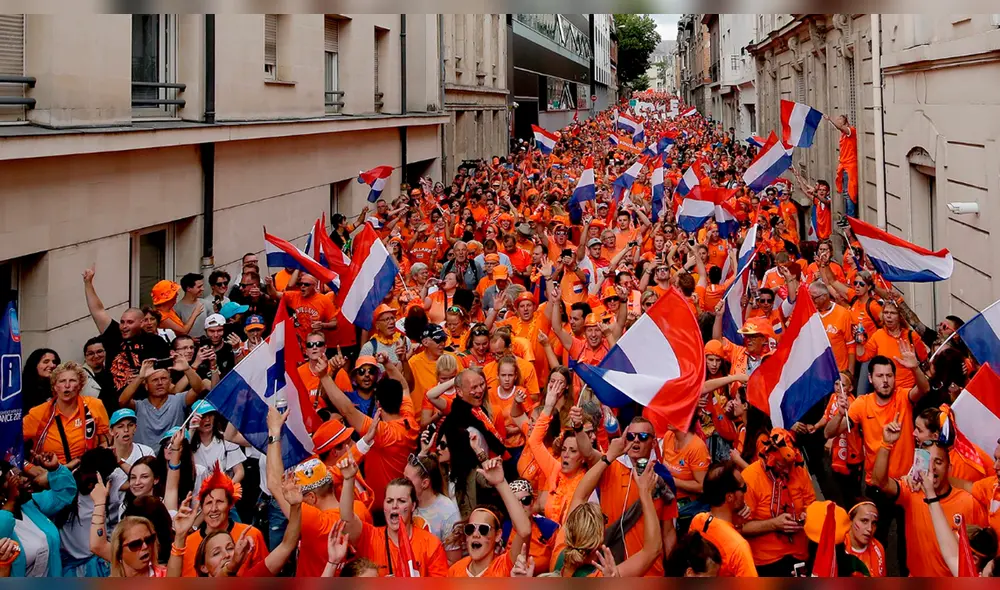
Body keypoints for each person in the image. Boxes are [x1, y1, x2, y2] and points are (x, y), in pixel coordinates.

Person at [872, 414, 986, 576]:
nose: (932, 468)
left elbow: (980, 554)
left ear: (949, 468)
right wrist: (886, 444)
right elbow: (879, 482)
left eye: (938, 462)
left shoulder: (968, 503)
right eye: (928, 462)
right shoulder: (912, 491)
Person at [569, 416, 678, 576]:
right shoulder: (611, 466)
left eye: (642, 437)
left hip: (650, 573)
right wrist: (578, 428)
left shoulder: (661, 478)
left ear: (654, 443)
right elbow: (588, 453)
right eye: (630, 436)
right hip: (611, 570)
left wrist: (673, 572)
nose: (635, 441)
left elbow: (668, 531)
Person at [336, 454, 449, 576]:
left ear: (414, 506)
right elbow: (346, 520)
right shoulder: (370, 537)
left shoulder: (431, 545)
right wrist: (348, 480)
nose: (394, 506)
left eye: (401, 501)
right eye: (389, 501)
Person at [83, 265, 169, 393]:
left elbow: (164, 373)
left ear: (141, 323)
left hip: (143, 400)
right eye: (122, 322)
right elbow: (98, 311)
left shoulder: (155, 342)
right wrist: (88, 283)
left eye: (130, 322)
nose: (124, 326)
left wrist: (142, 378)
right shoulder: (114, 335)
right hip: (114, 400)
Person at [740, 429, 815, 576]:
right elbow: (741, 527)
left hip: (799, 554)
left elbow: (812, 507)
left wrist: (806, 517)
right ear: (769, 458)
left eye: (790, 465)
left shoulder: (799, 472)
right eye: (781, 466)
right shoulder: (750, 477)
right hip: (766, 559)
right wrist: (774, 524)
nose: (787, 470)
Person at [447, 457, 531, 576]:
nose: (475, 534)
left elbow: (524, 531)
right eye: (470, 529)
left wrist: (500, 483)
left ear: (497, 535)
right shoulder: (454, 571)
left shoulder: (505, 566)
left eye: (483, 529)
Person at [0, 453, 77, 577]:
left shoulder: (30, 504)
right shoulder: (4, 520)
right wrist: (11, 501)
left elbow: (64, 495)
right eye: (14, 478)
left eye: (20, 475)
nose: (24, 479)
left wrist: (55, 469)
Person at [23, 361, 111, 468]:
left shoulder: (95, 405)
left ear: (80, 386)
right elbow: (9, 444)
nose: (67, 385)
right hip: (51, 475)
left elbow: (106, 443)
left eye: (72, 381)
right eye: (62, 381)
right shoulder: (38, 413)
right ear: (55, 386)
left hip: (86, 470)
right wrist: (29, 468)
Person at [118, 357, 206, 447]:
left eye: (164, 379)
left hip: (173, 455)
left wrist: (187, 369)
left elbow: (199, 389)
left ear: (170, 382)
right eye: (155, 380)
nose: (160, 383)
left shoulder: (179, 400)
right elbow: (122, 401)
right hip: (144, 459)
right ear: (146, 386)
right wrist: (141, 377)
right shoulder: (139, 406)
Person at [690, 462, 757, 577]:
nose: (746, 492)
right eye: (743, 488)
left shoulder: (697, 521)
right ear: (730, 497)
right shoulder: (739, 547)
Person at [826, 113, 859, 218]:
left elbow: (840, 127)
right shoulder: (843, 135)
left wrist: (830, 119)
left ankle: (850, 217)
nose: (838, 120)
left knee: (850, 193)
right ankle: (847, 216)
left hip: (850, 165)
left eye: (840, 119)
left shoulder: (851, 131)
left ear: (845, 121)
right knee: (845, 193)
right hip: (844, 165)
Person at [845, 501, 886, 577]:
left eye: (874, 523)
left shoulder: (878, 549)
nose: (870, 529)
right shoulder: (838, 548)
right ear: (850, 521)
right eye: (864, 521)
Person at [174, 273, 208, 338]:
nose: (202, 289)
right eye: (199, 287)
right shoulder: (177, 308)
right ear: (188, 288)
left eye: (202, 286)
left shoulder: (206, 304)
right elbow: (177, 333)